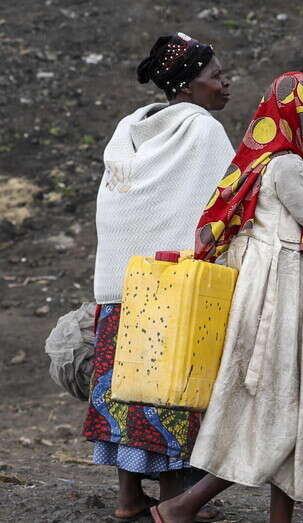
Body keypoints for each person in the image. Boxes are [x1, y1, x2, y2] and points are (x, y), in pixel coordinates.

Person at [152, 72, 303, 523]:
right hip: (281, 299)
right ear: (299, 115)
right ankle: (181, 506)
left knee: (288, 408)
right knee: (278, 410)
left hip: (274, 294)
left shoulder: (262, 162)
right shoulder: (289, 168)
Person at [82, 33, 233, 522]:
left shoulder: (130, 128)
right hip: (173, 287)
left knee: (126, 388)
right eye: (215, 76)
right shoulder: (202, 130)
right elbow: (223, 204)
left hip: (121, 281)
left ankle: (129, 499)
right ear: (188, 87)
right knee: (171, 389)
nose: (225, 83)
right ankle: (172, 502)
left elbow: (123, 203)